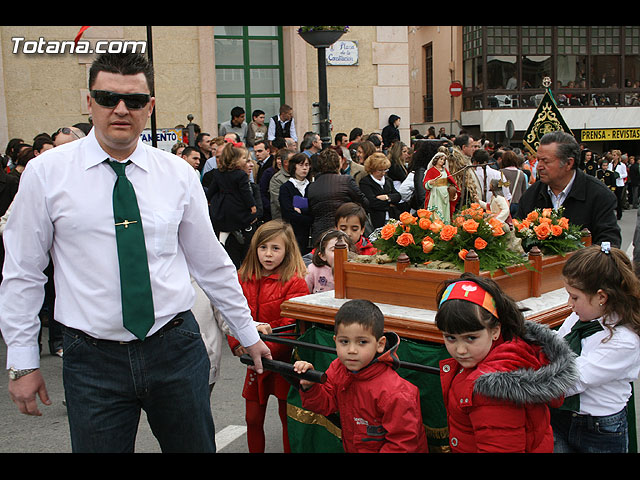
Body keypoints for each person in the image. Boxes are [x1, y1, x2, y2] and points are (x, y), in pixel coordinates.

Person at [0, 52, 271, 453]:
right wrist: (23, 360)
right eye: (108, 98)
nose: (121, 109)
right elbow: (23, 271)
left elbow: (211, 263)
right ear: (89, 102)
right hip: (92, 358)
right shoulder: (47, 174)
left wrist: (246, 332)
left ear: (150, 106)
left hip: (175, 347)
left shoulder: (178, 174)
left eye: (135, 100)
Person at [435, 273, 577, 453]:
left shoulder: (491, 392)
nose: (460, 350)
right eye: (450, 338)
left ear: (495, 331)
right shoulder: (509, 350)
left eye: (471, 338)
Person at [293, 299, 429, 453]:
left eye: (362, 342)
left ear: (380, 344)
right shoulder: (338, 368)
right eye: (344, 341)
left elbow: (402, 445)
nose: (352, 350)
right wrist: (310, 386)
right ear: (335, 341)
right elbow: (325, 404)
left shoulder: (395, 393)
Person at [551, 243, 640, 453]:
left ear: (601, 297)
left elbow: (573, 380)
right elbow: (556, 344)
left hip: (599, 430)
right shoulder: (579, 317)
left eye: (575, 297)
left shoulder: (623, 341)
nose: (569, 303)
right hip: (562, 417)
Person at [230, 220, 309, 453]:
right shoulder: (243, 277)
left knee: (287, 417)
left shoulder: (295, 281)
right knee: (253, 418)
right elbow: (232, 315)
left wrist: (256, 342)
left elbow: (291, 326)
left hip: (284, 362)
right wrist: (238, 343)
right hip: (254, 359)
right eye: (263, 247)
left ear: (287, 250)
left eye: (275, 248)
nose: (268, 254)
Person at [515, 131, 621, 248]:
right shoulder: (531, 195)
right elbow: (517, 238)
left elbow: (609, 242)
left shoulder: (599, 195)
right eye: (538, 160)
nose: (539, 166)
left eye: (545, 161)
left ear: (569, 163)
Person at [206, 142, 258, 269]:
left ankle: (222, 240)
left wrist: (208, 200)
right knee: (240, 221)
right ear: (235, 160)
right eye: (244, 158)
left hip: (222, 204)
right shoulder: (241, 175)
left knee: (224, 224)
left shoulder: (218, 173)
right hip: (236, 204)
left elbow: (212, 189)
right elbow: (245, 192)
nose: (246, 161)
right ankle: (237, 235)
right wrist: (252, 205)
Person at [307, 148, 368, 246]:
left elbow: (310, 211)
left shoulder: (312, 186)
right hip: (345, 231)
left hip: (320, 233)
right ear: (339, 163)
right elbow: (364, 202)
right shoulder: (346, 181)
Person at [279, 153, 313, 255]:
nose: (304, 168)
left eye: (307, 165)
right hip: (292, 232)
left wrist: (301, 211)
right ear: (294, 166)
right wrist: (307, 216)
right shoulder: (286, 188)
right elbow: (287, 212)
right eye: (301, 165)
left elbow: (314, 209)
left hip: (309, 233)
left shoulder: (312, 186)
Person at [359, 152, 402, 229]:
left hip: (392, 218)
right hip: (376, 220)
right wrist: (390, 203)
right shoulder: (365, 182)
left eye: (385, 170)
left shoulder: (388, 180)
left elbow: (398, 196)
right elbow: (372, 203)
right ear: (372, 169)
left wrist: (386, 197)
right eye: (380, 170)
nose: (383, 173)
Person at [423, 149, 460, 224]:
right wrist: (430, 183)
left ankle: (445, 225)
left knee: (445, 210)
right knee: (437, 211)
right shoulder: (431, 171)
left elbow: (449, 182)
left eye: (444, 160)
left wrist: (453, 191)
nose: (442, 161)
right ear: (436, 160)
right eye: (441, 159)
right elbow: (426, 184)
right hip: (436, 194)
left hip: (445, 193)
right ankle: (437, 225)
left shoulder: (445, 171)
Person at [498, 150, 527, 216]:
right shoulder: (521, 174)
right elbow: (524, 191)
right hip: (517, 203)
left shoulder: (500, 172)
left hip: (504, 203)